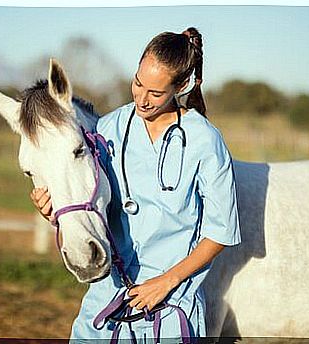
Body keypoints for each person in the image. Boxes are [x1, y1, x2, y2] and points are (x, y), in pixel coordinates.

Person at [31, 27, 241, 342]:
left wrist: (165, 283)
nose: (142, 99)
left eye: (155, 93)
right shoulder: (108, 128)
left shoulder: (205, 140)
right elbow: (91, 204)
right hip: (107, 302)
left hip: (170, 308)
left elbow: (220, 232)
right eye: (138, 83)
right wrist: (53, 210)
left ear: (180, 86)